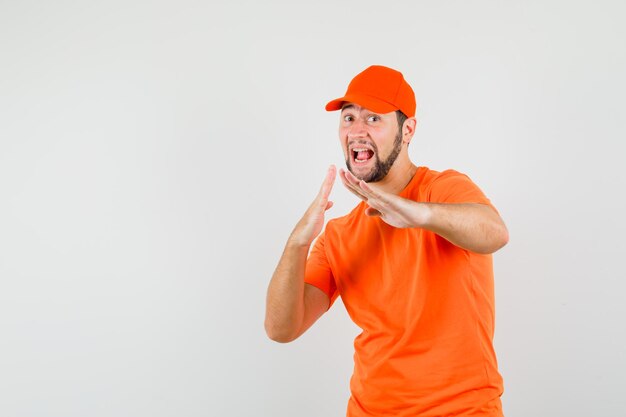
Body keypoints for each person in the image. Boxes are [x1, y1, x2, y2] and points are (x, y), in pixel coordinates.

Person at [264, 65, 509, 417]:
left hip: (462, 410)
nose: (357, 130)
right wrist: (297, 243)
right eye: (348, 118)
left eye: (373, 119)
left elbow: (495, 233)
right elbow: (281, 329)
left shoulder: (443, 191)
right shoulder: (337, 234)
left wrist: (419, 214)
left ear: (407, 130)